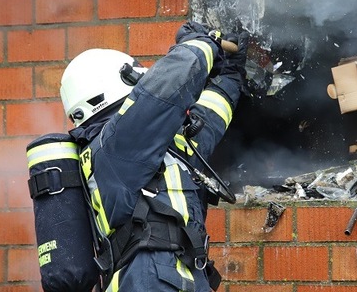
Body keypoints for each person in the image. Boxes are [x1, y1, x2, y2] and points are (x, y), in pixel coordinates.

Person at [58, 21, 247, 292]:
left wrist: (231, 72)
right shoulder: (115, 143)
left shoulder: (146, 146)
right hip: (147, 282)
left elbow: (209, 119)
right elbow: (167, 85)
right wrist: (201, 43)